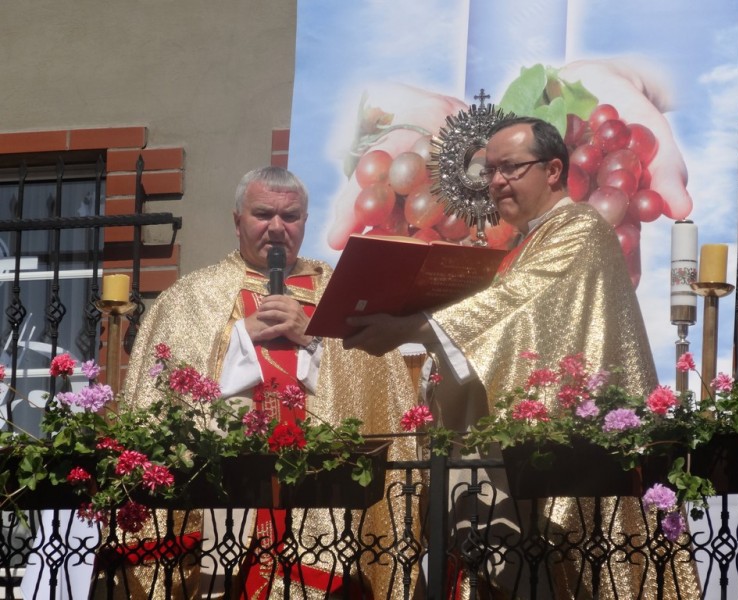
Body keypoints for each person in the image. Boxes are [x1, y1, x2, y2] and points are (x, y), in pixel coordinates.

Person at [343, 117, 700, 598]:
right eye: (489, 170)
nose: (495, 181)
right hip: (515, 467)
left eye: (510, 167)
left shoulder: (581, 227)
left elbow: (516, 307)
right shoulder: (526, 243)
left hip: (570, 468)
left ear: (553, 170)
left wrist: (411, 327)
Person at [109, 166, 418, 599]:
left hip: (321, 502)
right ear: (237, 220)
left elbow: (373, 386)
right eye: (262, 214)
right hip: (225, 499)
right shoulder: (191, 297)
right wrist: (235, 338)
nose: (276, 228)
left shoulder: (340, 293)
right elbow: (161, 396)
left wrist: (313, 338)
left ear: (305, 221)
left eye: (289, 216)